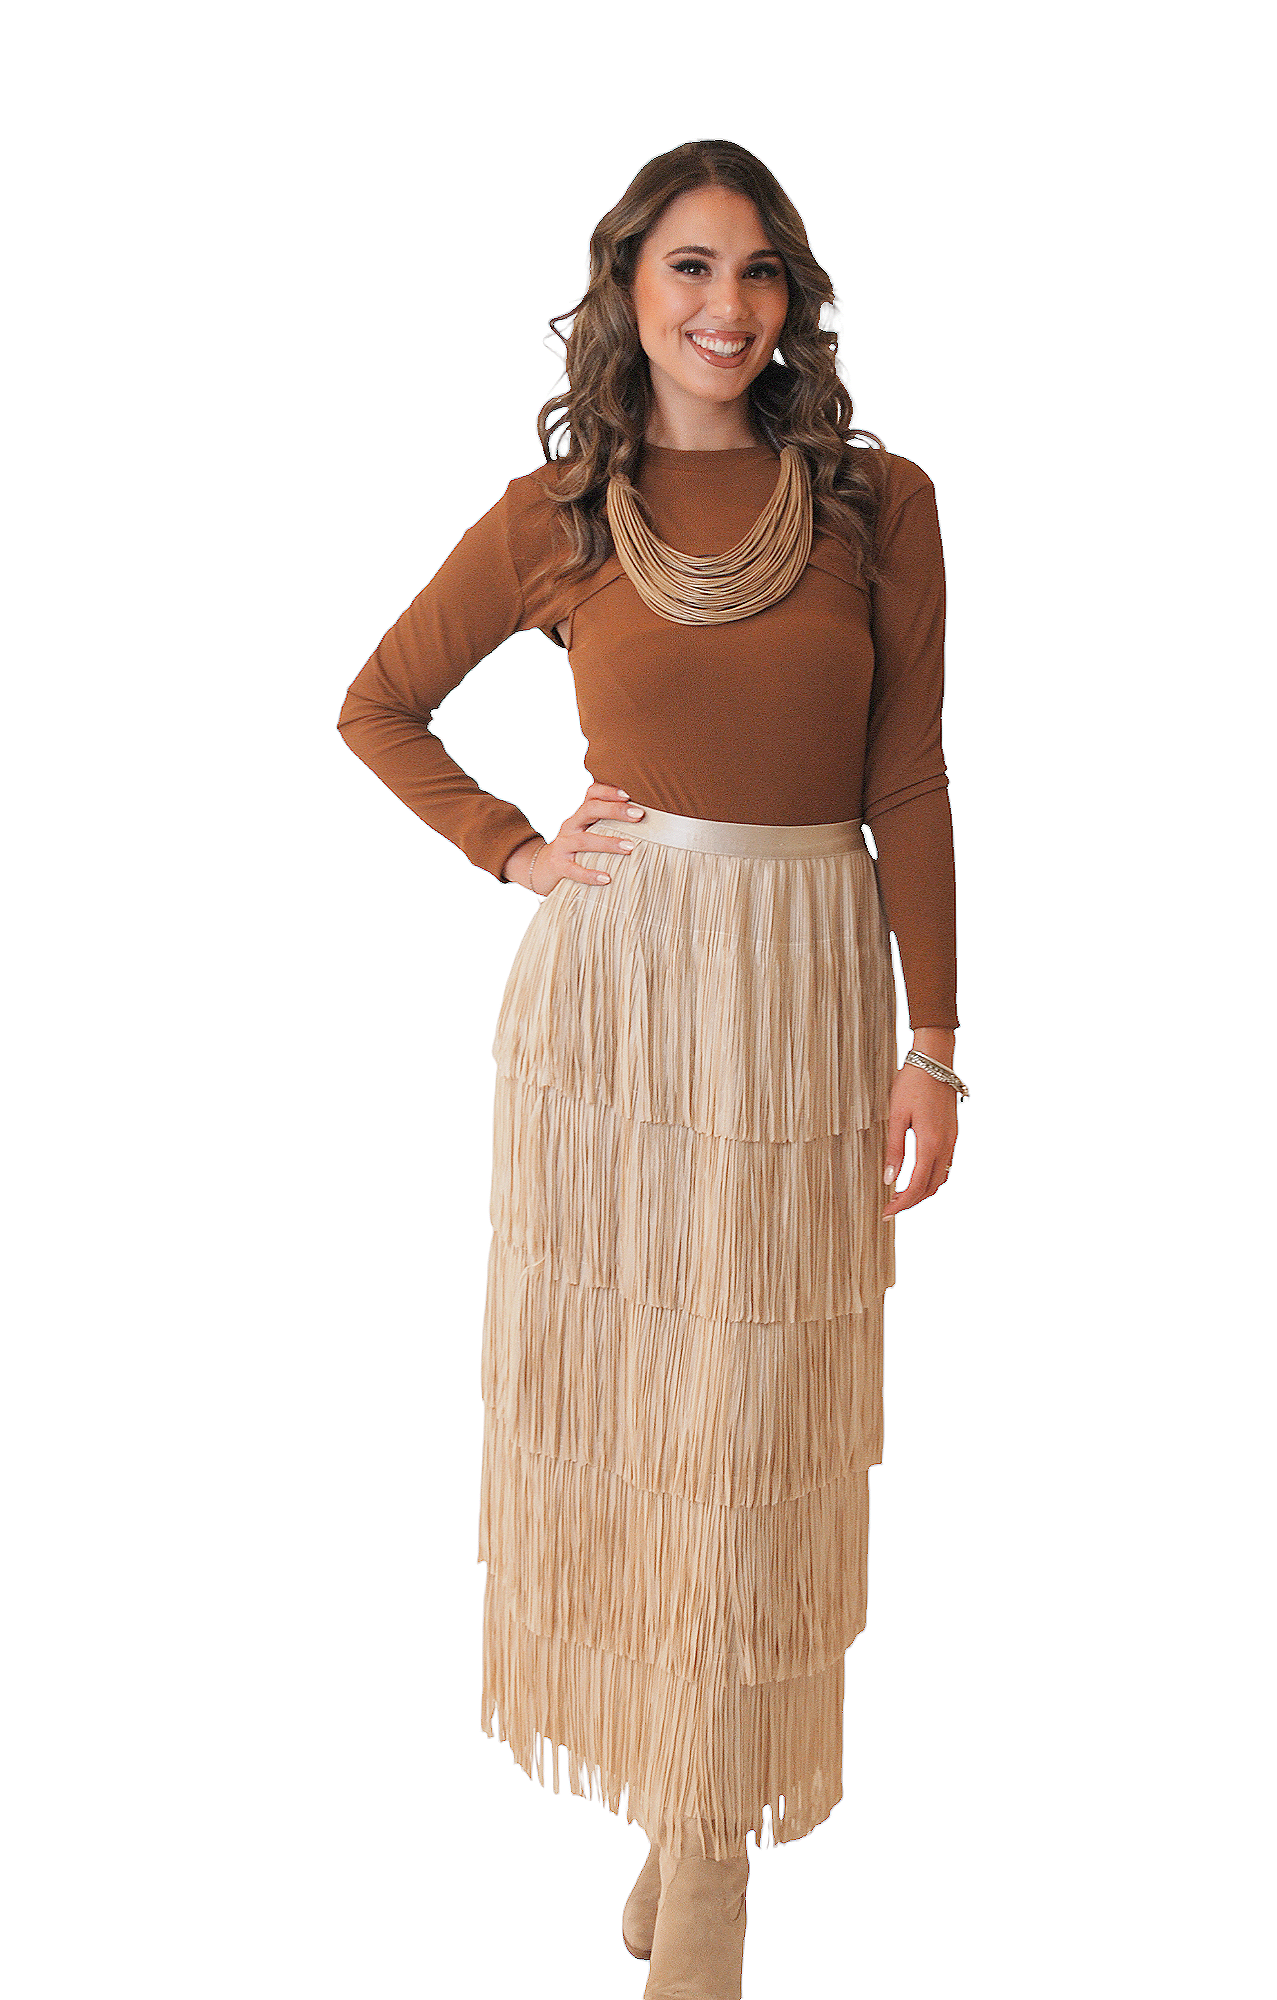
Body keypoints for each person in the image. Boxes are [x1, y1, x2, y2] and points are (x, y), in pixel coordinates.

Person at [336, 136, 967, 2000]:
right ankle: (689, 1827)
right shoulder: (557, 515)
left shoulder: (876, 502)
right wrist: (516, 850)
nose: (727, 304)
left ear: (793, 300)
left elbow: (908, 775)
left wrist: (937, 1041)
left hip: (807, 988)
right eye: (691, 265)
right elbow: (377, 704)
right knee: (639, 1424)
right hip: (618, 1008)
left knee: (755, 1423)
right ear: (629, 286)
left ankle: (703, 1849)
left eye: (760, 270)